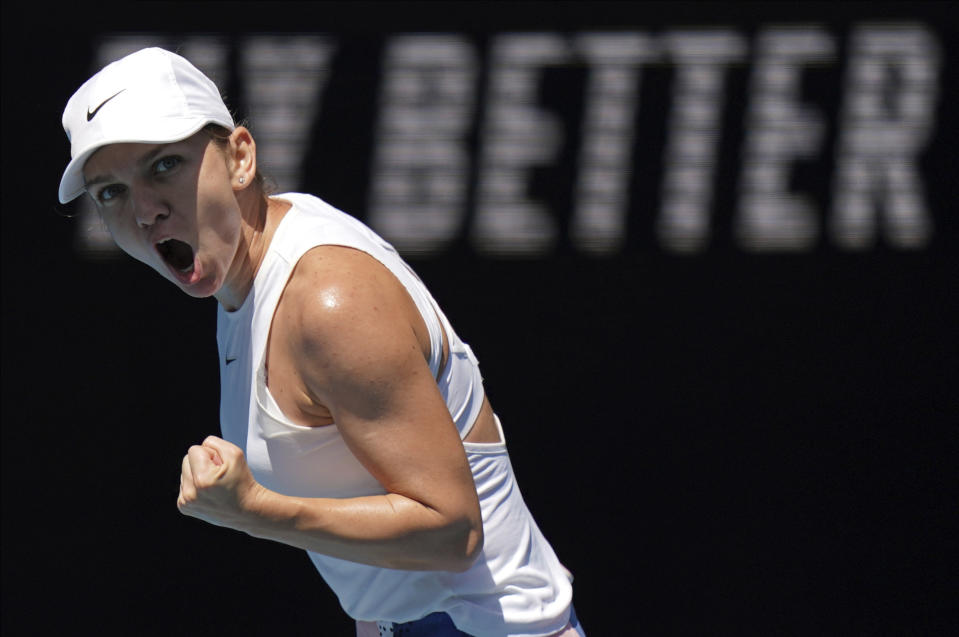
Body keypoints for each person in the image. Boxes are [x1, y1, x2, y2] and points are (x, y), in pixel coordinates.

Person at [58, 47, 584, 637]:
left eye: (164, 167)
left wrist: (256, 511)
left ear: (239, 157)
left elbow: (452, 531)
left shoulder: (329, 303)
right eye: (110, 193)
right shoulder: (246, 264)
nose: (145, 211)